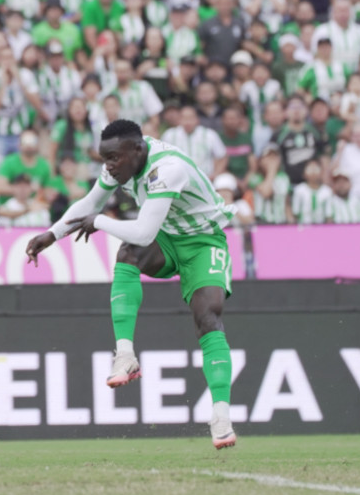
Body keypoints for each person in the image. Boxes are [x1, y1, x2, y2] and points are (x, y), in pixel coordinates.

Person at [24, 119, 238, 450]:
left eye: (113, 159)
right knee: (128, 253)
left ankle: (221, 414)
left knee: (207, 316)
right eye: (104, 159)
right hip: (168, 237)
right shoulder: (121, 161)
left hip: (203, 241)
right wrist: (52, 234)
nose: (108, 167)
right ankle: (125, 355)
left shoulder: (167, 169)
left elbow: (142, 231)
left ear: (137, 150)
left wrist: (100, 222)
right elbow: (90, 203)